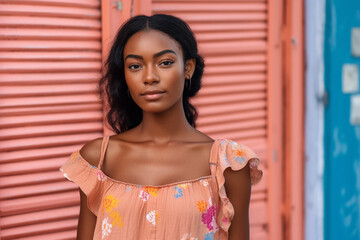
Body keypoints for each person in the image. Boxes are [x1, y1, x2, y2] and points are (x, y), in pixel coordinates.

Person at [60, 14, 262, 240]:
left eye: (165, 62)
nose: (149, 77)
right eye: (135, 66)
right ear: (125, 75)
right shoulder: (97, 160)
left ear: (188, 67)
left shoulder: (228, 165)